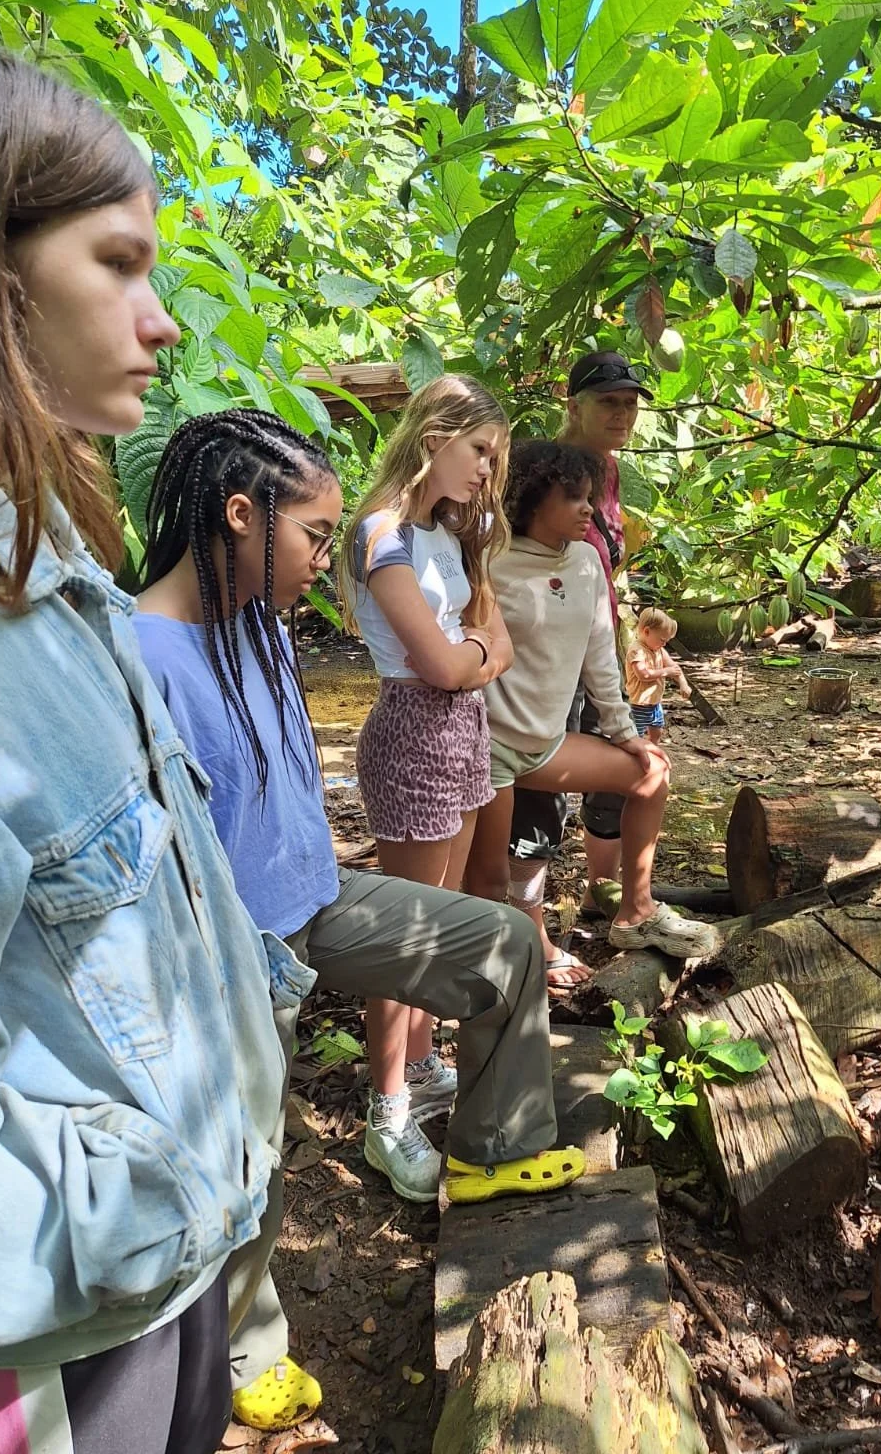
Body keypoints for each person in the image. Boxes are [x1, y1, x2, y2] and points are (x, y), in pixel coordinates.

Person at [0, 47, 305, 1454]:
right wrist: (124, 1209)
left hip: (172, 1265)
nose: (161, 322)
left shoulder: (64, 579)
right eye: (120, 262)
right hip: (58, 1336)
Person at [136, 410, 583, 1432]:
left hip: (320, 896)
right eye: (310, 534)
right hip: (237, 952)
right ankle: (247, 1351)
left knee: (503, 940)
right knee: (249, 1153)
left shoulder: (249, 616)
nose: (320, 560)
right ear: (240, 516)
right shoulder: (143, 652)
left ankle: (495, 1146)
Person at [334, 375, 513, 1190]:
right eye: (479, 450)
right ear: (436, 433)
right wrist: (472, 661)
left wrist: (470, 663)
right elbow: (445, 662)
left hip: (460, 731)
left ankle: (420, 1059)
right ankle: (387, 1113)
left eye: (495, 458)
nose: (486, 471)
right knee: (404, 939)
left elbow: (486, 648)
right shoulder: (381, 533)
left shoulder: (445, 536)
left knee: (440, 922)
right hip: (412, 731)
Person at [464, 441, 719, 975]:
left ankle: (635, 910)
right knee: (490, 881)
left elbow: (600, 653)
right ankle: (506, 971)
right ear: (532, 501)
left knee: (652, 773)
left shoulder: (585, 561)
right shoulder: (489, 560)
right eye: (572, 498)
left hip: (548, 744)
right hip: (489, 749)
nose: (588, 510)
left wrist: (624, 731)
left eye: (590, 498)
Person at [505, 352, 651, 959]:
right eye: (607, 402)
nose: (622, 413)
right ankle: (524, 935)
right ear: (575, 407)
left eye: (629, 402)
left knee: (620, 779)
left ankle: (608, 896)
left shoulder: (604, 475)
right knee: (534, 811)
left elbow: (598, 572)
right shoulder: (535, 472)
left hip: (587, 654)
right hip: (529, 686)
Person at [625, 608, 692, 742]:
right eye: (662, 639)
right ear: (647, 631)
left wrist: (683, 684)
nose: (664, 644)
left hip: (655, 703)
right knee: (636, 735)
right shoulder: (636, 651)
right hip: (638, 704)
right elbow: (643, 675)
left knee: (657, 731)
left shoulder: (659, 650)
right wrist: (665, 672)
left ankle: (652, 750)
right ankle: (636, 757)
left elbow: (674, 667)